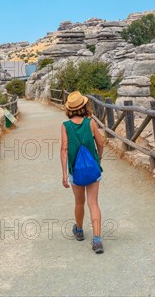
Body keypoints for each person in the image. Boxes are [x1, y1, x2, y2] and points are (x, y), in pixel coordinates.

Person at [60, 91, 105, 254]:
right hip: (92, 169)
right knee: (94, 203)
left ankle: (79, 230)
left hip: (75, 170)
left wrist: (65, 174)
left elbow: (64, 150)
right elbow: (100, 144)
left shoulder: (65, 126)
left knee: (79, 202)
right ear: (84, 105)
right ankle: (97, 240)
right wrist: (98, 159)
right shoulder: (91, 123)